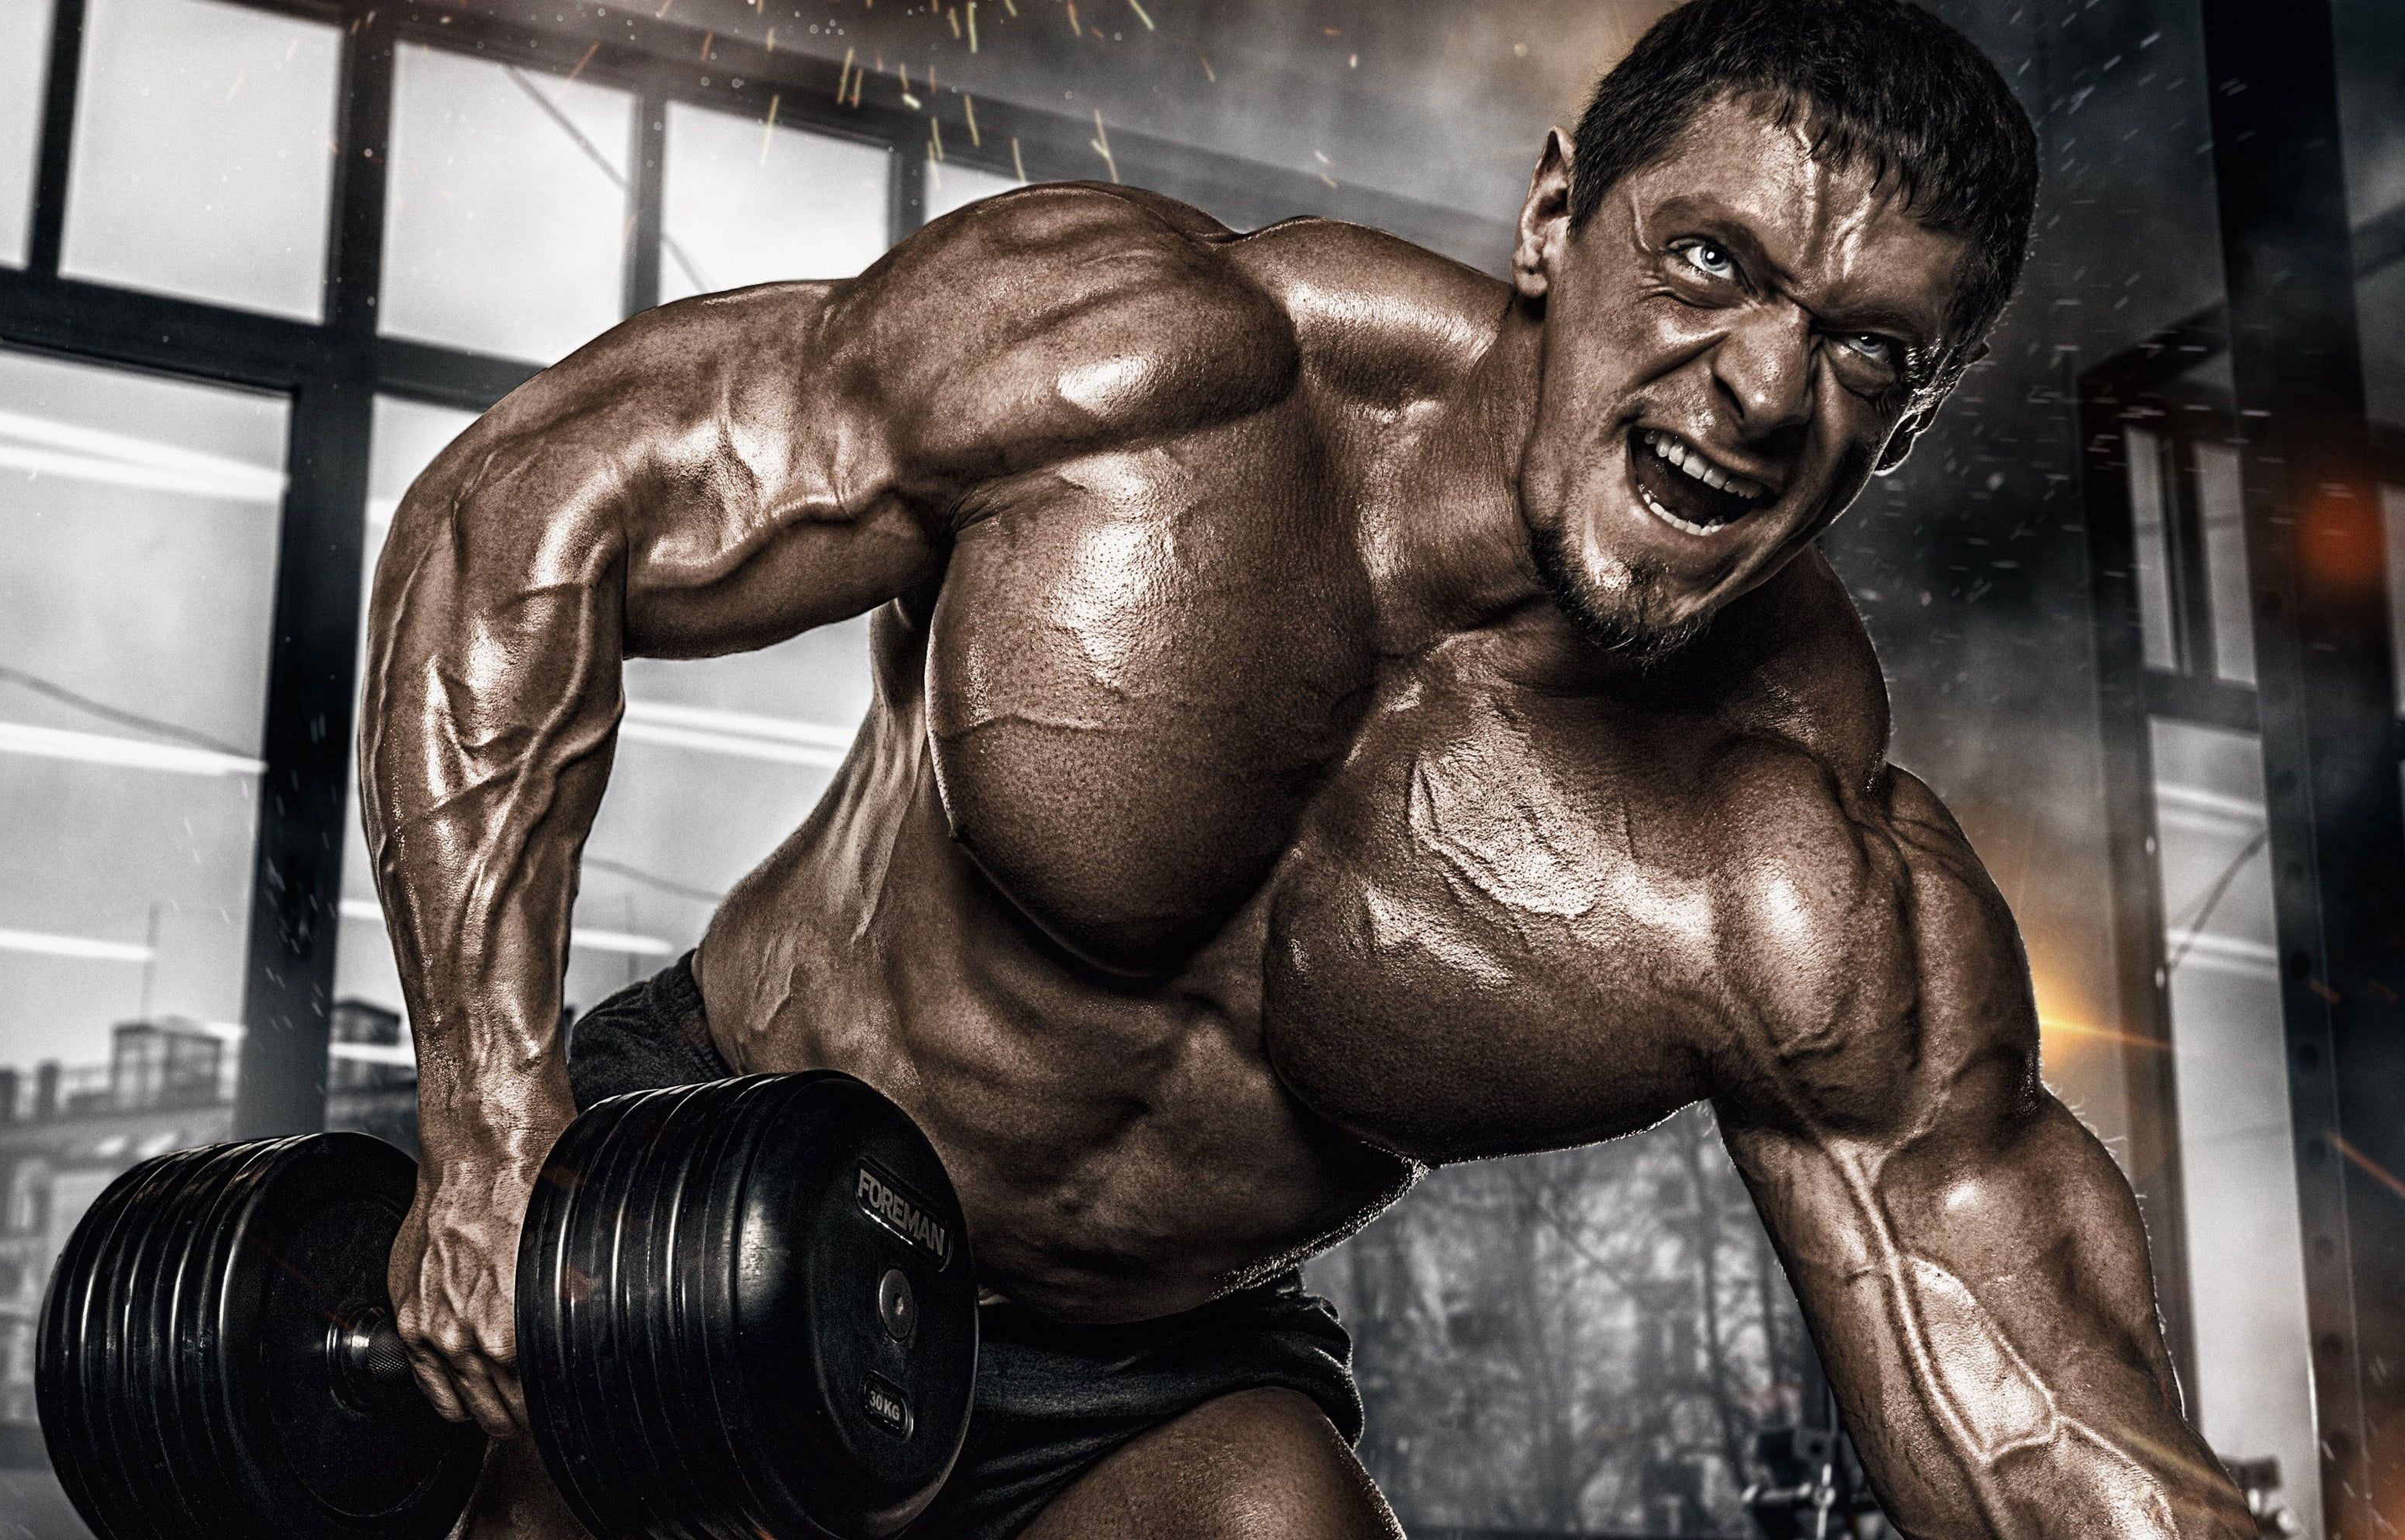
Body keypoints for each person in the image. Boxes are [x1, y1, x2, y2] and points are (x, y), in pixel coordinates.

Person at [360, 0, 2254, 1534]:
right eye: (1705, 261)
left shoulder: (1788, 870)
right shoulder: (1148, 372)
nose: (1761, 389)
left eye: (1859, 350)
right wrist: (492, 1121)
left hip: (1144, 1368)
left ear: (1904, 425)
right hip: (716, 1177)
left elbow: (2034, 1426)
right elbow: (528, 518)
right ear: (1549, 217)